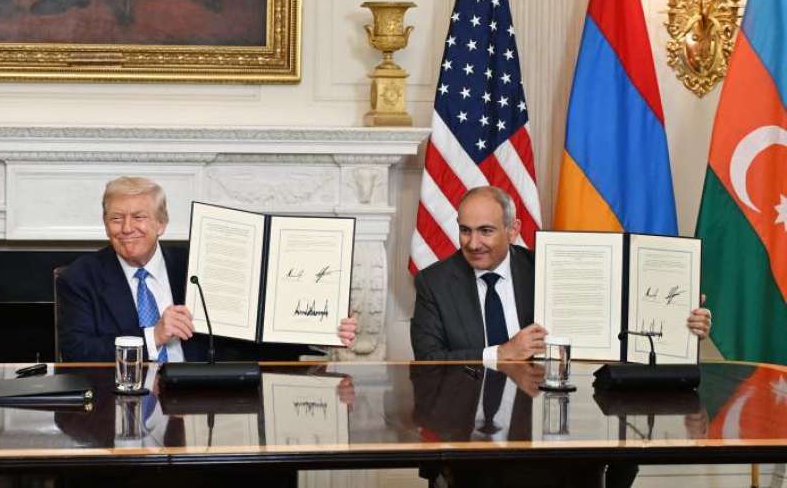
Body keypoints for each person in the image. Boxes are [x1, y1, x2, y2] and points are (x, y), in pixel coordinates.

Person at [56, 176, 358, 362]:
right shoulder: (80, 277)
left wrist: (321, 329)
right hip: (123, 401)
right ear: (105, 223)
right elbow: (76, 352)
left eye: (139, 217)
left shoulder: (201, 263)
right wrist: (153, 336)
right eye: (116, 218)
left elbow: (249, 335)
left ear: (162, 223)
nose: (126, 228)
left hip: (201, 397)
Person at [410, 185, 712, 362]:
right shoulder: (433, 283)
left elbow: (614, 322)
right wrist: (501, 353)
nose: (473, 243)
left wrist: (679, 321)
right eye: (465, 230)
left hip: (543, 411)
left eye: (485, 231)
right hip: (466, 413)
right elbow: (428, 360)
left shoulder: (547, 268)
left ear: (513, 230)